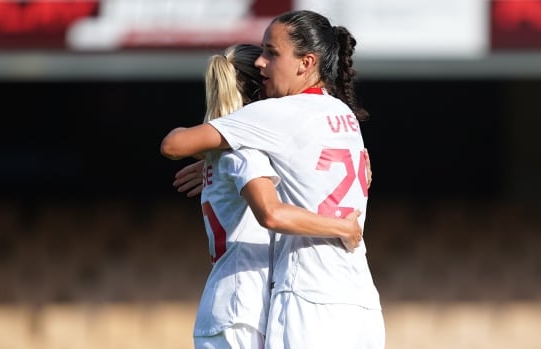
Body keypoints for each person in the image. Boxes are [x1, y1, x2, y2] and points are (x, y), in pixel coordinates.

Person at [161, 10, 384, 349]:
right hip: (360, 301)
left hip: (303, 299)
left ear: (305, 62)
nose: (264, 63)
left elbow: (174, 145)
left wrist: (217, 154)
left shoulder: (269, 118)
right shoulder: (344, 116)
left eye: (273, 53)